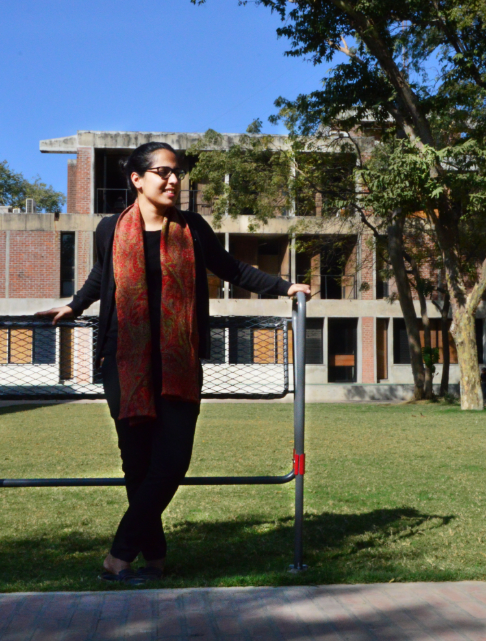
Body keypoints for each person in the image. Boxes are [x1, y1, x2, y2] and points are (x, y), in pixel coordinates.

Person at [37, 142, 311, 586]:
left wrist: (285, 287)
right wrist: (75, 305)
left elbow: (232, 269)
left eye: (177, 173)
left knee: (172, 462)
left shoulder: (192, 228)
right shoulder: (110, 229)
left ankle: (118, 556)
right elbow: (100, 275)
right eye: (163, 172)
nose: (173, 180)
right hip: (122, 360)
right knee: (137, 465)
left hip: (179, 360)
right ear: (137, 179)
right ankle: (154, 559)